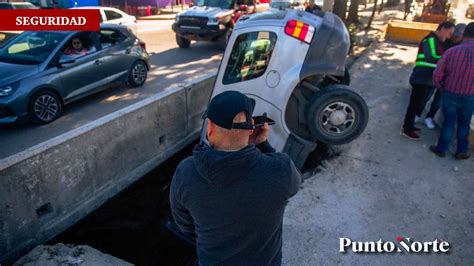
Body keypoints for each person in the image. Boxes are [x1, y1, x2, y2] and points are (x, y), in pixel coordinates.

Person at [170, 90, 302, 265]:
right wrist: (263, 145)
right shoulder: (281, 169)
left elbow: (185, 225)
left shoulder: (185, 172)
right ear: (251, 130)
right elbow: (294, 186)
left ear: (209, 128)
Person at [401, 21, 455, 140]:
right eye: (449, 33)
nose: (449, 37)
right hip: (421, 78)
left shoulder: (436, 41)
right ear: (443, 28)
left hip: (427, 79)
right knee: (414, 105)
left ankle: (409, 126)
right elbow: (432, 57)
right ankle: (407, 129)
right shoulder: (430, 40)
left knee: (417, 104)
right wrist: (450, 57)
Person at [430, 22, 474, 160]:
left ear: (464, 34)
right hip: (470, 96)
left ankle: (441, 149)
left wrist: (442, 88)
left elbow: (437, 75)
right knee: (464, 123)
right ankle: (461, 150)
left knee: (448, 122)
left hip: (450, 93)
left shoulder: (451, 51)